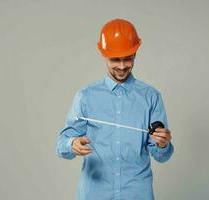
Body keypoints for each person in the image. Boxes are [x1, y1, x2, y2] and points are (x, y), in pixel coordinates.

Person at [55, 18, 174, 200]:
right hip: (95, 194)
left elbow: (161, 156)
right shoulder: (85, 96)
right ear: (104, 55)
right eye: (115, 59)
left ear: (135, 53)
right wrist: (72, 144)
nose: (121, 66)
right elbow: (61, 144)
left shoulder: (151, 97)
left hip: (137, 194)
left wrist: (163, 144)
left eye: (128, 59)